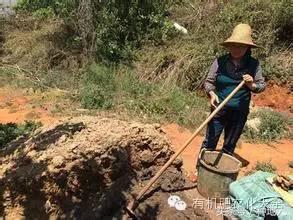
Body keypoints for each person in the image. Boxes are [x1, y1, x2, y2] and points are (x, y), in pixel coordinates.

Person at [202, 23, 266, 155]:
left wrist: (251, 85)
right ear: (228, 46)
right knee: (209, 142)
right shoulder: (220, 62)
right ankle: (201, 169)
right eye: (233, 45)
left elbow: (261, 86)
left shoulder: (254, 65)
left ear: (248, 47)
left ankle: (222, 174)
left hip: (239, 112)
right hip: (218, 109)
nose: (236, 49)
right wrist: (212, 94)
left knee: (229, 146)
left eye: (240, 46)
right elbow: (208, 83)